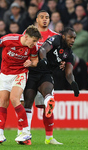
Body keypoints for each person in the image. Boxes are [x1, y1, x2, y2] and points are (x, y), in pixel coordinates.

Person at [19, 10, 62, 145]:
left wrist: (62, 61)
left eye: (47, 17)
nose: (44, 19)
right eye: (42, 17)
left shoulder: (56, 36)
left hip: (45, 73)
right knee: (26, 103)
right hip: (29, 72)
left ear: (50, 20)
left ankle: (49, 137)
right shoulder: (28, 33)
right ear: (37, 19)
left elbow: (60, 54)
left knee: (47, 105)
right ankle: (24, 135)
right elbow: (20, 49)